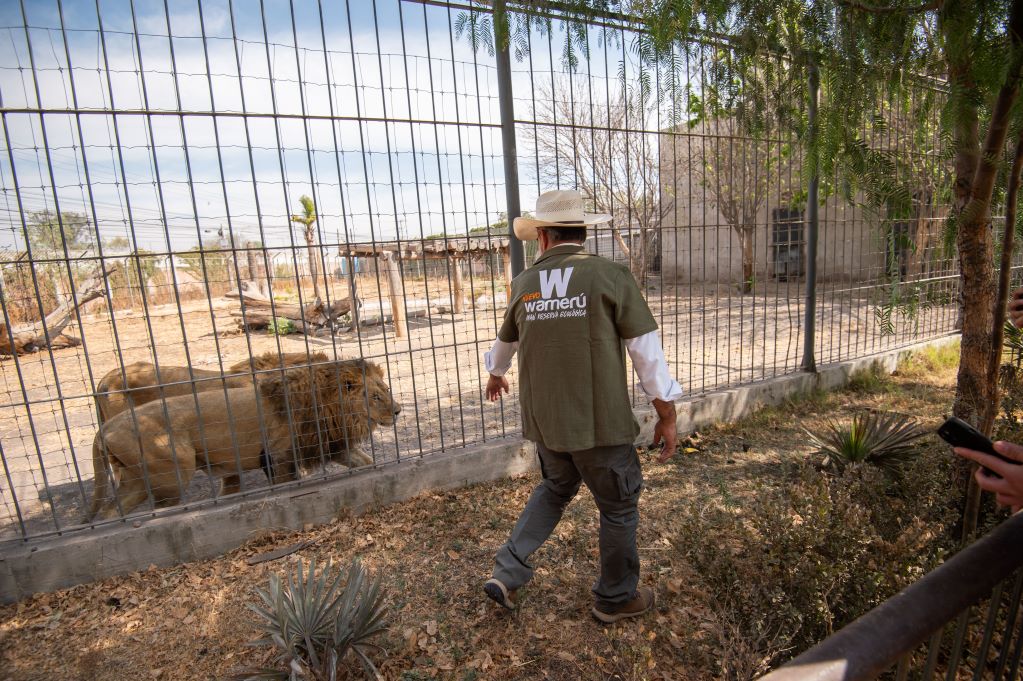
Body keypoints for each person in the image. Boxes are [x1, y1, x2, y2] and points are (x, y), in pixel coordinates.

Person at [482, 189, 682, 623]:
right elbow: (647, 354)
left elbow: (504, 344)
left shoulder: (524, 284)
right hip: (600, 427)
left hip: (548, 425)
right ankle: (615, 599)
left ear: (543, 238)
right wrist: (667, 415)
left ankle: (507, 571)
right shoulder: (610, 276)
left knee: (555, 489)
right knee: (618, 506)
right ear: (582, 232)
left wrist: (496, 373)